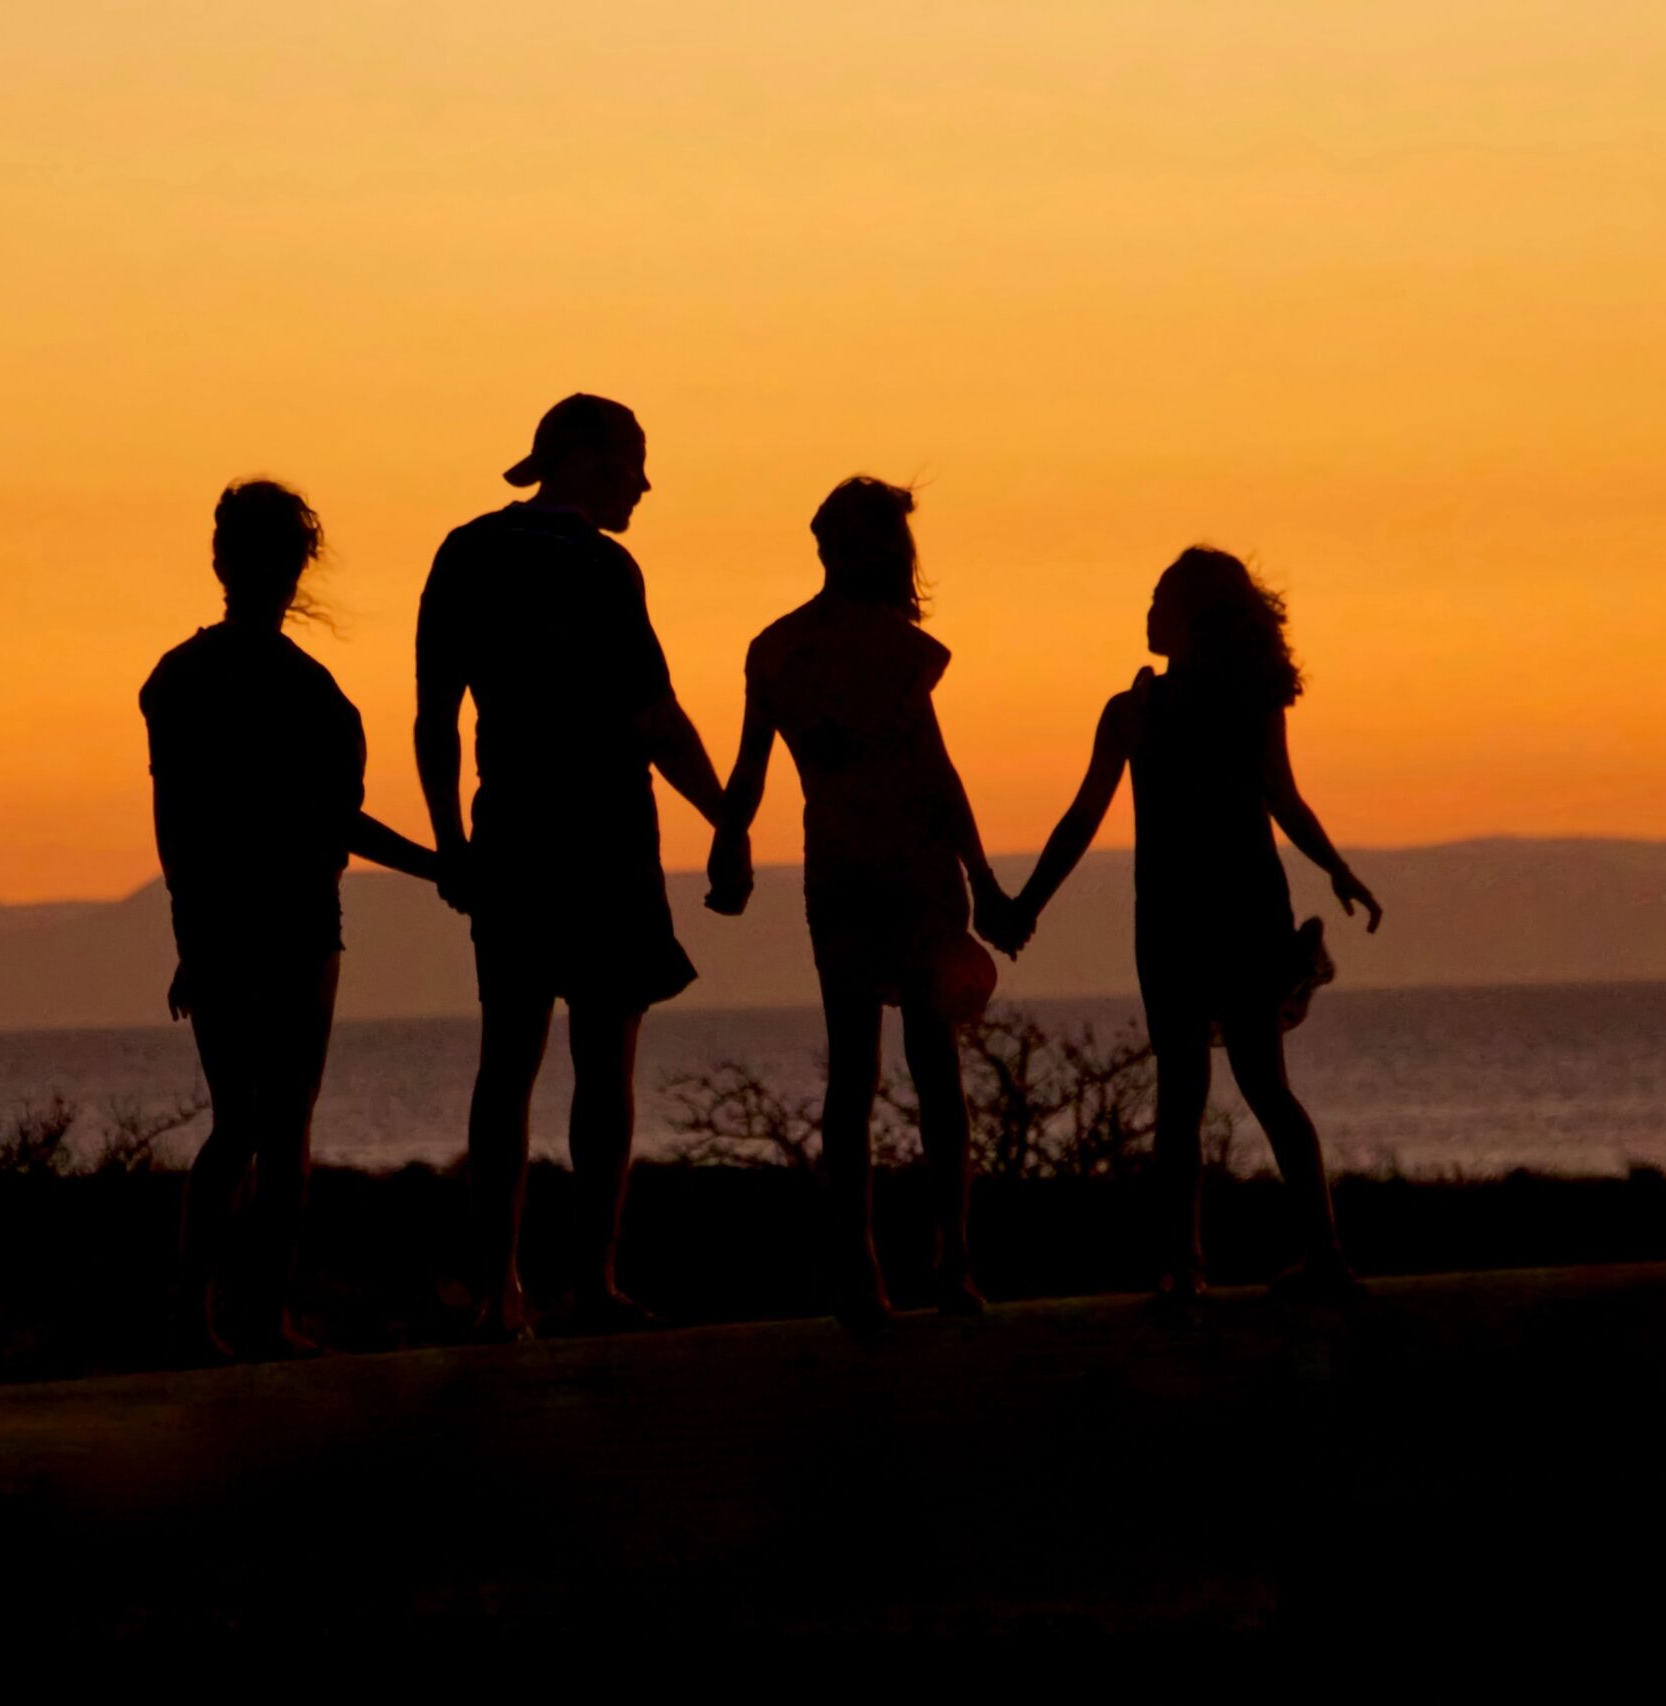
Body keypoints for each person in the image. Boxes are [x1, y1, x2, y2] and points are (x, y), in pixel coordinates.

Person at [415, 395, 725, 1340]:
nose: (642, 481)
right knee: (601, 1066)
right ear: (588, 461)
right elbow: (654, 714)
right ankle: (590, 1282)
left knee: (507, 1063)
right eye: (634, 460)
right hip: (602, 841)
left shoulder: (468, 551)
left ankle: (503, 1287)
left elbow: (435, 717)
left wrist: (451, 846)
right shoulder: (603, 566)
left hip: (511, 834)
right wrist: (727, 817)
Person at [1004, 547, 1382, 1303]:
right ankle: (1317, 1252)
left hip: (1182, 917)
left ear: (1190, 619)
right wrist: (1336, 868)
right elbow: (1285, 800)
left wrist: (1026, 905)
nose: (1146, 615)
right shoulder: (1228, 704)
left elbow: (1083, 819)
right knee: (1262, 1088)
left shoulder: (1138, 711)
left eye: (1158, 603)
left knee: (1186, 1094)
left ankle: (1188, 1265)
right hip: (1240, 909)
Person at [141, 479, 439, 1359]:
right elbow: (333, 820)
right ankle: (253, 1315)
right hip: (290, 922)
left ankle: (208, 1316)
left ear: (221, 558)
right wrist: (440, 866)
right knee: (279, 1124)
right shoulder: (303, 690)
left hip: (231, 922)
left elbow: (178, 827)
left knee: (243, 1123)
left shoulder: (185, 678)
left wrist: (191, 934)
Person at [707, 478, 1014, 1323]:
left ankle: (864, 1272)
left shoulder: (776, 650)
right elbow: (936, 777)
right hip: (910, 868)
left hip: (838, 867)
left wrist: (729, 844)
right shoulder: (897, 648)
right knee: (933, 1068)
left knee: (856, 1074)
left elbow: (749, 773)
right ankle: (949, 1261)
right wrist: (982, 878)